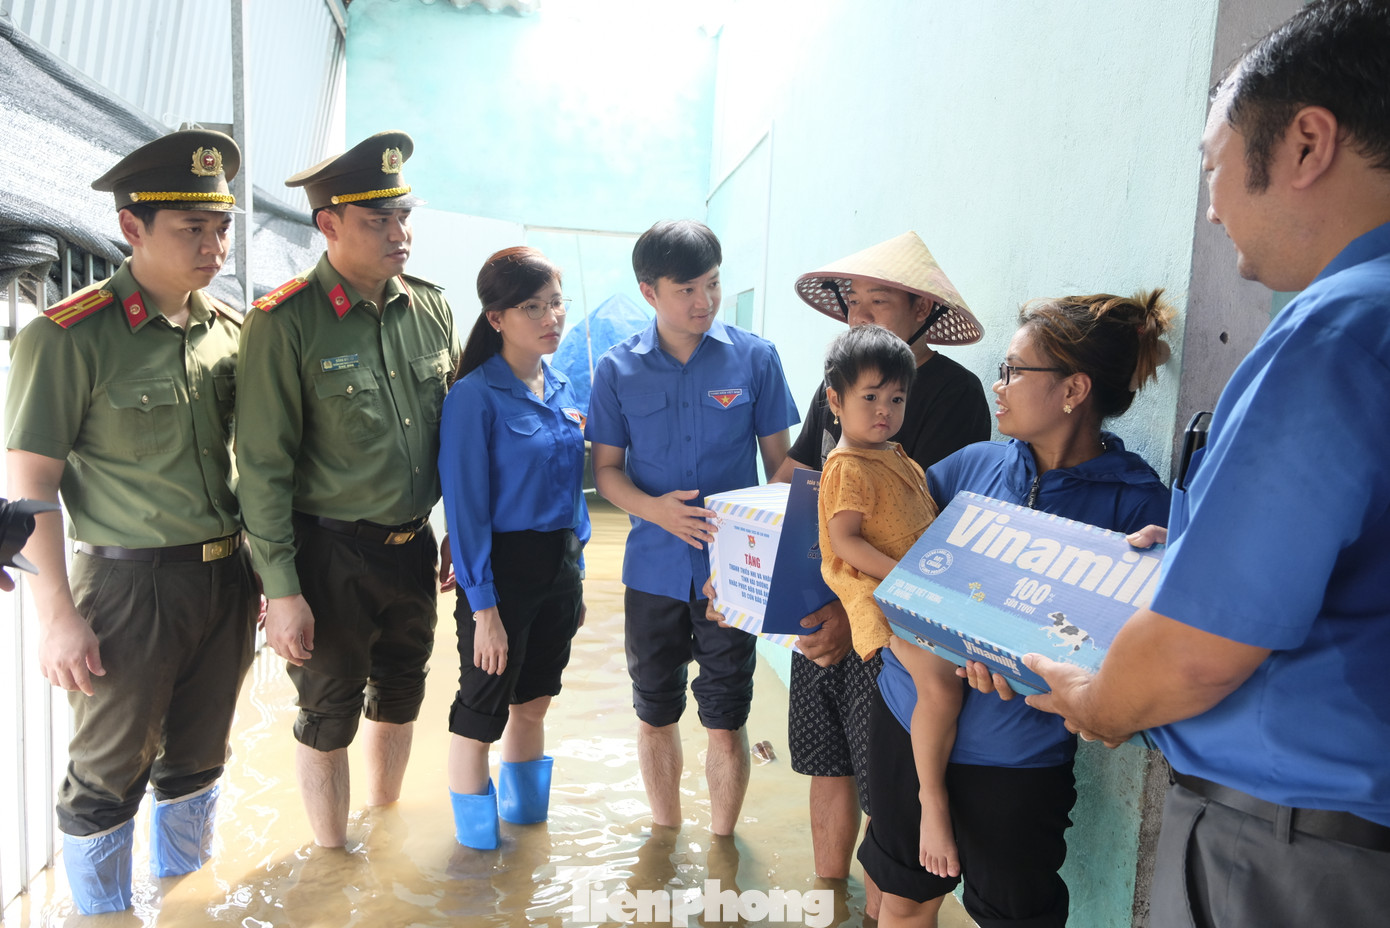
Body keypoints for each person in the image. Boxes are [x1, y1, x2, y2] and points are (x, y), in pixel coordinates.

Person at [1022, 3, 1390, 925]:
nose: (1214, 205)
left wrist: (1099, 703)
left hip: (1285, 854)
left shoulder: (1335, 333)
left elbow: (1194, 654)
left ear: (1307, 144)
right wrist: (1195, 552)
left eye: (1212, 166)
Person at [4, 130, 257, 914]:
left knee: (200, 761)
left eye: (221, 228)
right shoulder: (68, 337)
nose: (214, 246)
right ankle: (103, 916)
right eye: (192, 228)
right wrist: (57, 617)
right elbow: (31, 486)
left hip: (226, 579)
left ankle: (186, 902)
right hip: (128, 587)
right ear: (131, 228)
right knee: (107, 778)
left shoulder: (233, 332)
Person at [862, 291, 1174, 926]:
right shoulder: (968, 468)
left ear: (1073, 389)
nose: (997, 385)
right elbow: (881, 556)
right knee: (902, 899)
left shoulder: (1137, 508)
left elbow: (1157, 650)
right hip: (908, 719)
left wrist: (1172, 563)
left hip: (1016, 758)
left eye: (1013, 370)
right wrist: (844, 618)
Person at [236, 131, 460, 849]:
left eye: (404, 216)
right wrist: (282, 590)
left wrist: (460, 533)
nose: (400, 234)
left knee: (402, 692)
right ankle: (332, 861)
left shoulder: (431, 309)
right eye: (378, 221)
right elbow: (262, 467)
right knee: (328, 713)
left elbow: (457, 440)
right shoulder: (283, 323)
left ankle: (382, 832)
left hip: (412, 545)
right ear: (328, 224)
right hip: (329, 553)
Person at [771, 231, 989, 906]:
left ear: (922, 309)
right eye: (853, 302)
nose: (859, 314)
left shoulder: (955, 395)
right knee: (825, 759)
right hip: (825, 604)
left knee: (883, 785)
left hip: (891, 617)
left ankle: (878, 912)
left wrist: (856, 610)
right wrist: (759, 572)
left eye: (879, 301)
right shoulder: (837, 386)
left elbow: (932, 523)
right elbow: (795, 481)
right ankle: (826, 903)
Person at [585, 219, 799, 836]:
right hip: (652, 570)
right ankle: (666, 836)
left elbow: (780, 470)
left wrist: (766, 558)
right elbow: (606, 472)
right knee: (654, 713)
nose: (704, 301)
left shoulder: (755, 358)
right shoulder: (617, 370)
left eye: (712, 284)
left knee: (727, 717)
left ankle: (722, 846)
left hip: (733, 577)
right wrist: (656, 510)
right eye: (686, 290)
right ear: (649, 292)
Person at [438, 246, 589, 850]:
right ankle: (476, 857)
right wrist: (485, 611)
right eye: (533, 307)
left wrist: (576, 575)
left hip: (559, 568)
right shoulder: (473, 396)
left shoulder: (564, 386)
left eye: (556, 303)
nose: (552, 318)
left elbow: (573, 496)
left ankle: (525, 841)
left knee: (534, 703)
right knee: (481, 714)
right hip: (501, 572)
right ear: (496, 317)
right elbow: (465, 509)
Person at [815, 324, 963, 881]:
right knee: (940, 685)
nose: (884, 411)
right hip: (884, 598)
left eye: (896, 399)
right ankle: (933, 801)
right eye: (871, 397)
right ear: (836, 401)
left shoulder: (893, 453)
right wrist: (906, 578)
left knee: (953, 680)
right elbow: (846, 542)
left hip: (917, 589)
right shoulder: (848, 466)